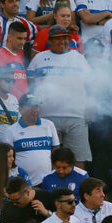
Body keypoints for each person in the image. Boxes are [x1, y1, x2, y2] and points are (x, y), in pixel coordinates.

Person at [28, 24, 93, 168]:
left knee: (78, 157)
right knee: (48, 158)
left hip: (77, 115)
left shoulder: (78, 58)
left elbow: (91, 85)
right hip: (46, 117)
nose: (62, 41)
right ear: (49, 41)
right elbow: (30, 86)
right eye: (57, 39)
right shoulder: (39, 58)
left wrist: (91, 107)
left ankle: (77, 190)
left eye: (65, 38)